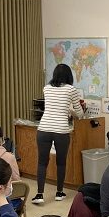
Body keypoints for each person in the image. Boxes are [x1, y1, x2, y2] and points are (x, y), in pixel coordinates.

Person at [32, 63, 85, 205]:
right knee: (61, 163)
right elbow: (79, 114)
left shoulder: (46, 88)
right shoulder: (71, 89)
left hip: (43, 128)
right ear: (69, 76)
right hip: (61, 130)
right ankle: (59, 192)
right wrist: (74, 110)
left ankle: (39, 194)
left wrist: (66, 110)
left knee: (42, 162)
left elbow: (54, 107)